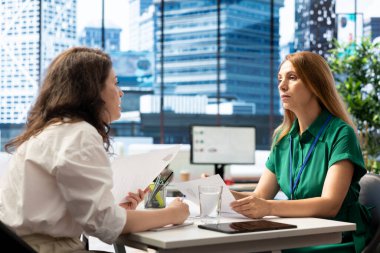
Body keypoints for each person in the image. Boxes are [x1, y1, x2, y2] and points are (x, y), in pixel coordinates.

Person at [0, 47, 189, 253]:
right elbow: (106, 225)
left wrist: (116, 213)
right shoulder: (79, 134)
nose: (121, 92)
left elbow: (92, 217)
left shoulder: (53, 132)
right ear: (91, 90)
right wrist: (173, 214)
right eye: (115, 83)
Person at [230, 51, 373, 253]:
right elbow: (260, 195)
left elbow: (329, 204)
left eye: (292, 77)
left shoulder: (341, 134)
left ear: (315, 85)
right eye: (280, 79)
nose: (281, 86)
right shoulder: (283, 138)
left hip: (335, 238)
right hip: (298, 233)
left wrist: (269, 208)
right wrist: (220, 193)